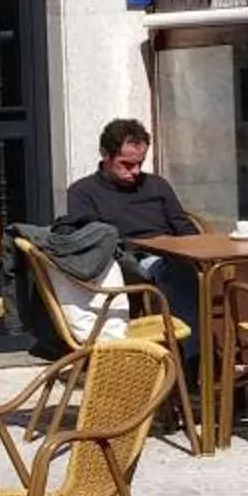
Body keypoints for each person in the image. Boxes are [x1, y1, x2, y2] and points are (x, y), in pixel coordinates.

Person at [63, 118, 201, 342]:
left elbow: (184, 227)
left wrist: (198, 250)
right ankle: (191, 361)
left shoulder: (157, 185)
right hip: (124, 262)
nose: (135, 171)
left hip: (170, 254)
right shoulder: (83, 192)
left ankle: (202, 352)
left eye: (140, 163)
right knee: (180, 274)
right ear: (105, 156)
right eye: (126, 165)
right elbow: (92, 240)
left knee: (211, 272)